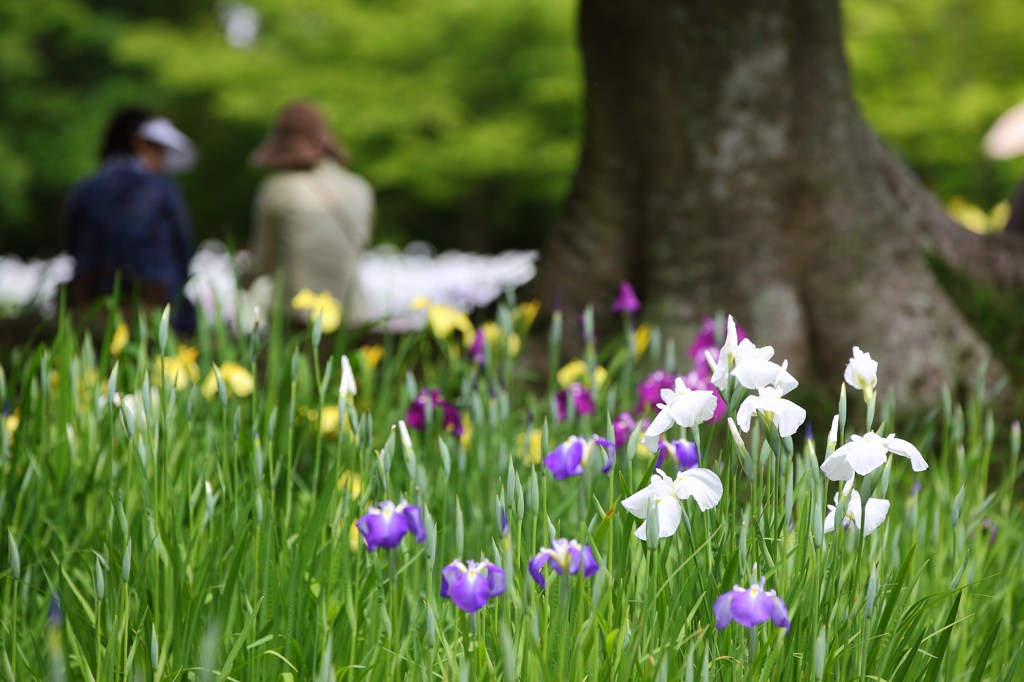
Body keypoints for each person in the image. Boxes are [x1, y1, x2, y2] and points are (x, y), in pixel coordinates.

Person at [63, 106, 198, 330]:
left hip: (93, 308)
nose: (163, 160)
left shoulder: (84, 190)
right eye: (160, 150)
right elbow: (183, 249)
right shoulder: (163, 191)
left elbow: (73, 245)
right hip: (157, 309)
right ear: (140, 143)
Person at [243, 101, 375, 325]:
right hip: (353, 314)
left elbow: (264, 260)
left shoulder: (276, 188)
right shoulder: (360, 187)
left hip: (296, 313)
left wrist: (243, 278)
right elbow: (362, 244)